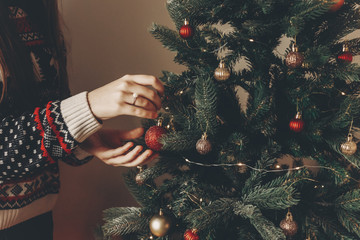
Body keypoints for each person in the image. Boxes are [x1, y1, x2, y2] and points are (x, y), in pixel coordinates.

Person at [0, 0, 164, 239]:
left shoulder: (32, 10)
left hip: (37, 223)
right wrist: (90, 106)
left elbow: (37, 115)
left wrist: (83, 139)